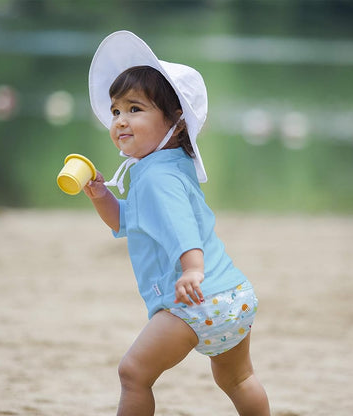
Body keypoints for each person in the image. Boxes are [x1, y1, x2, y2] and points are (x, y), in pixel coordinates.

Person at [83, 30, 270, 416]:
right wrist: (103, 197)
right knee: (237, 379)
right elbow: (126, 223)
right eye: (116, 111)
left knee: (133, 372)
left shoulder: (156, 177)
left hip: (193, 301)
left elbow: (182, 225)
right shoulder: (166, 166)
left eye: (135, 109)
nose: (120, 120)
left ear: (177, 122)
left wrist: (191, 269)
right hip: (232, 296)